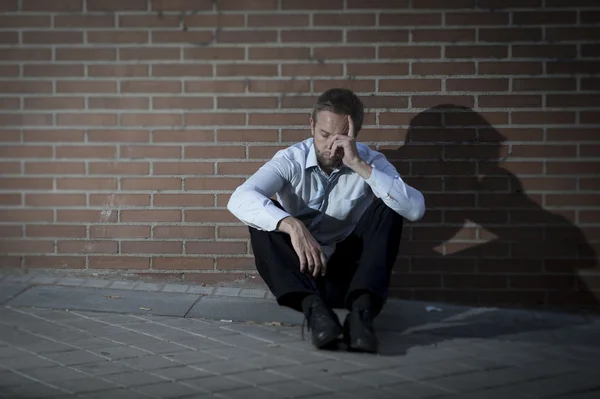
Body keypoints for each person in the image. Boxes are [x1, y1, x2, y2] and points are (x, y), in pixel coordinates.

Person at [227, 88, 426, 353]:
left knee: (390, 206)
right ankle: (318, 315)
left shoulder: (371, 162)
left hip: (348, 276)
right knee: (264, 219)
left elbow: (414, 209)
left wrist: (358, 164)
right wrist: (292, 225)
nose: (331, 146)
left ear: (355, 132)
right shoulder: (291, 159)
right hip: (302, 273)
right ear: (311, 126)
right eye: (324, 135)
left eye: (340, 137)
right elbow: (239, 198)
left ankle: (361, 318)